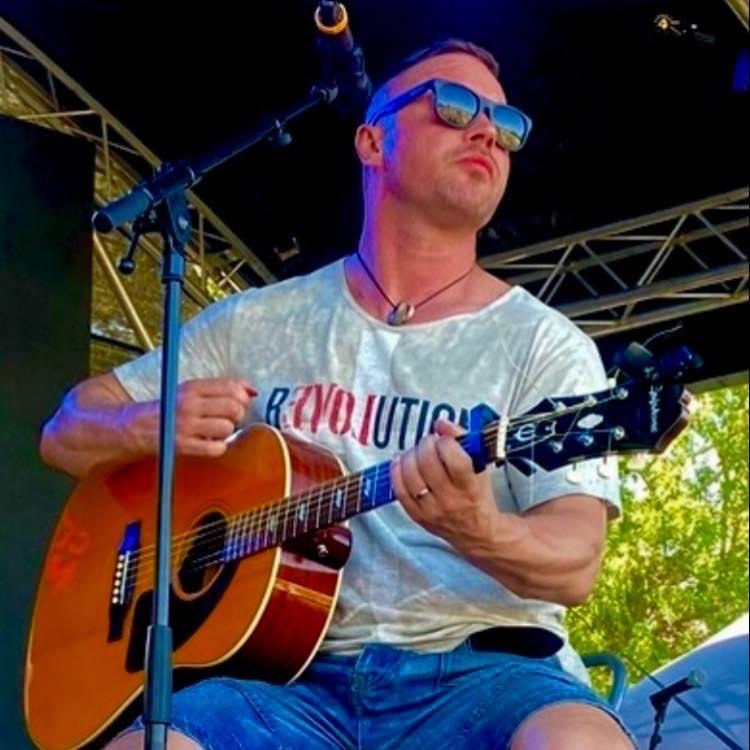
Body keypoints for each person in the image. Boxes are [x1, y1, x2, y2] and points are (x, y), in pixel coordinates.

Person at [40, 38, 637, 750]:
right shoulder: (256, 322)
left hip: (485, 674)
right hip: (283, 683)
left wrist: (478, 528)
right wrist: (147, 423)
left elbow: (576, 562)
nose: (487, 131)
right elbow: (65, 431)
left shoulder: (546, 345)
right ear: (372, 142)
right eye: (454, 106)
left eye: (507, 125)